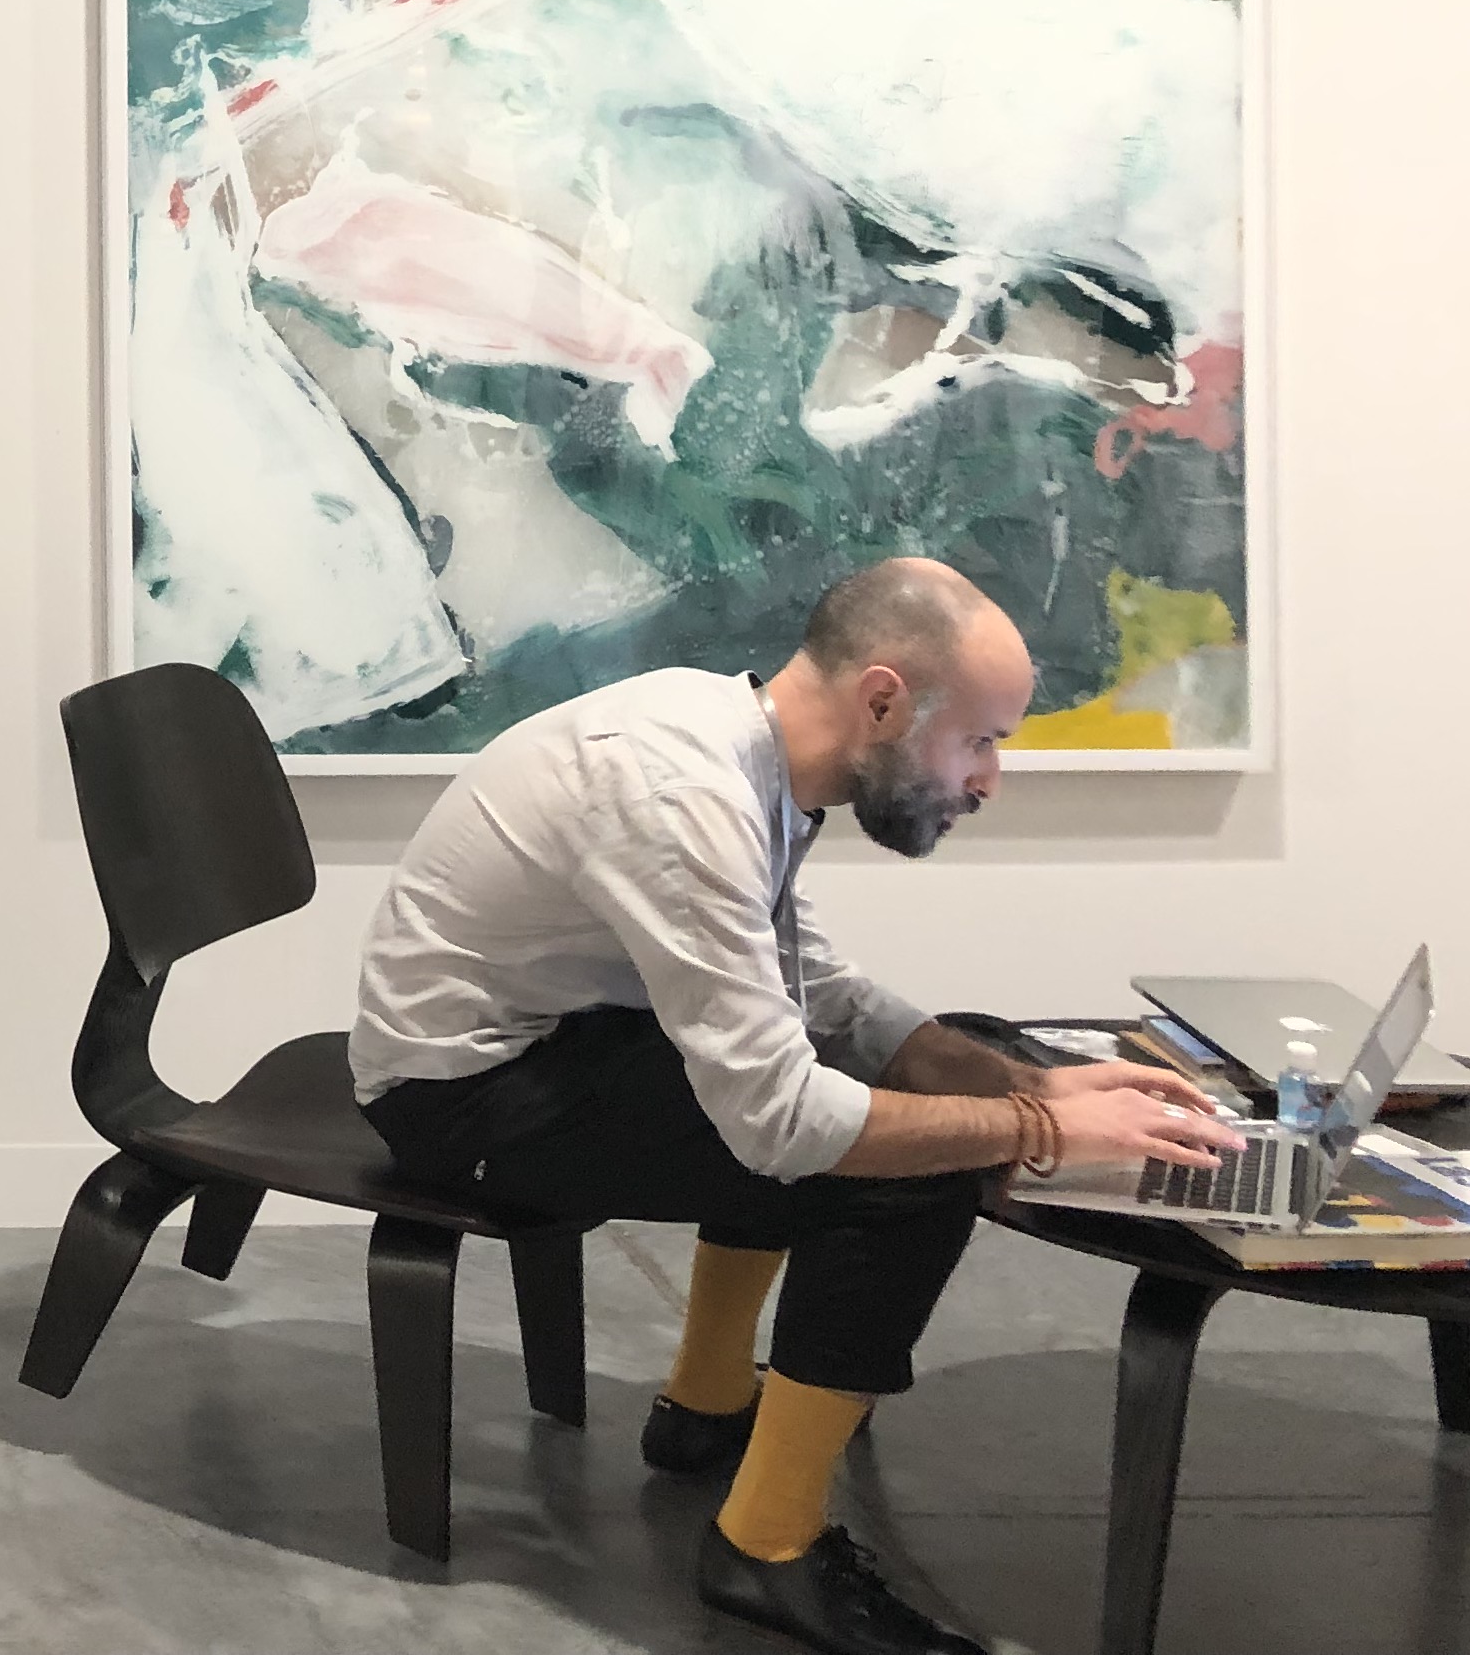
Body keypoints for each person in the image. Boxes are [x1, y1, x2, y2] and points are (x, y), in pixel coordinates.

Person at [351, 560, 1240, 1655]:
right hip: (463, 1099)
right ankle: (765, 1546)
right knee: (905, 1176)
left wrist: (1027, 1084)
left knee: (930, 1065)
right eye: (979, 740)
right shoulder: (680, 795)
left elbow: (818, 992)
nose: (990, 780)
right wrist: (1040, 1133)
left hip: (564, 1040)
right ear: (883, 701)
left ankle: (705, 1404)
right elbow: (780, 1121)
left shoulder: (743, 748)